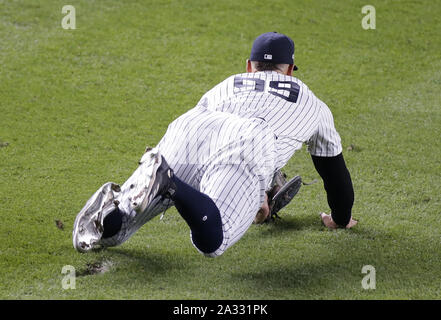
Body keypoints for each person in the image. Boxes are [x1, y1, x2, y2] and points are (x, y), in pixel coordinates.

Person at [73, 32, 357, 257]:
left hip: (191, 126)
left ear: (249, 67)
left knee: (117, 229)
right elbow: (335, 176)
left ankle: (114, 213)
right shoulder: (314, 105)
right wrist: (340, 218)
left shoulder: (228, 84)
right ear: (290, 71)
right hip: (250, 140)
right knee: (213, 239)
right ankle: (168, 182)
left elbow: (210, 149)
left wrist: (255, 198)